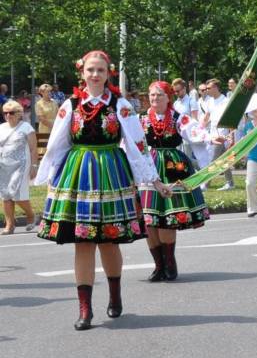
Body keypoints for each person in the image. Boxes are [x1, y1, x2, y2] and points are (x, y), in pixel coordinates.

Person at [33, 50, 172, 330]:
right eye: (90, 70)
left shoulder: (120, 104)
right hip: (78, 173)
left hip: (111, 171)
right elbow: (58, 143)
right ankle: (85, 309)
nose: (95, 75)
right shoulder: (71, 104)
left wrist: (154, 179)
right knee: (82, 242)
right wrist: (49, 177)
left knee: (109, 240)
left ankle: (115, 295)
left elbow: (136, 143)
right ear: (82, 72)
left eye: (100, 70)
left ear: (109, 73)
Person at [140, 81, 210, 281]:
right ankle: (158, 265)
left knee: (167, 218)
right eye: (152, 95)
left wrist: (211, 137)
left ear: (168, 97)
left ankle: (170, 262)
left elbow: (195, 132)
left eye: (160, 95)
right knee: (149, 220)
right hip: (147, 166)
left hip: (172, 167)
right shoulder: (140, 119)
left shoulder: (178, 117)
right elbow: (129, 141)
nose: (155, 98)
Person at [1, 100, 38, 234]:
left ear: (19, 114)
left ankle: (31, 215)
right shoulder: (1, 127)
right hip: (3, 165)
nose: (8, 115)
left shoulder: (26, 127)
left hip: (21, 165)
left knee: (17, 195)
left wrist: (34, 166)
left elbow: (33, 149)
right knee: (6, 195)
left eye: (11, 113)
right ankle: (9, 225)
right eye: (5, 113)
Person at [202, 79, 233, 190]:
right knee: (223, 160)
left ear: (216, 88)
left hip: (222, 134)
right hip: (212, 134)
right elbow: (207, 116)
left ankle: (206, 184)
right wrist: (200, 128)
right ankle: (230, 183)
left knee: (213, 160)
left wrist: (231, 136)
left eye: (208, 88)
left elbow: (230, 119)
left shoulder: (226, 101)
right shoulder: (209, 101)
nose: (206, 90)